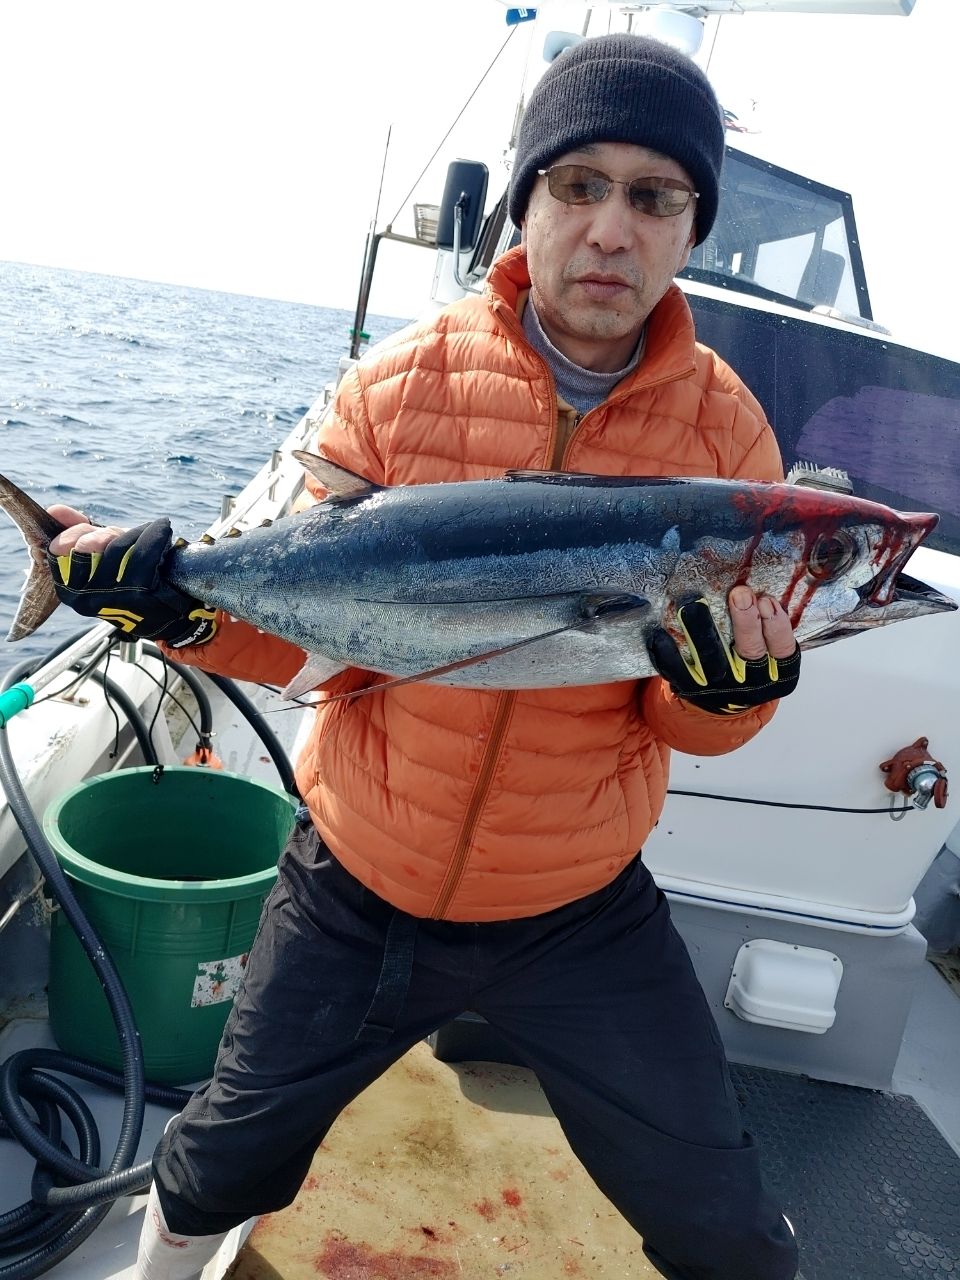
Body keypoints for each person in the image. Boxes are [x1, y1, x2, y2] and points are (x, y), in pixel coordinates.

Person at [47, 33, 801, 1280]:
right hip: (362, 872)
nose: (612, 229)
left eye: (655, 197)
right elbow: (309, 646)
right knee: (222, 1155)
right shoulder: (395, 389)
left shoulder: (729, 431)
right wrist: (176, 611)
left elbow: (689, 720)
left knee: (718, 1208)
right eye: (579, 186)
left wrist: (734, 695)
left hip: (576, 902)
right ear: (529, 203)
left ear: (689, 231)